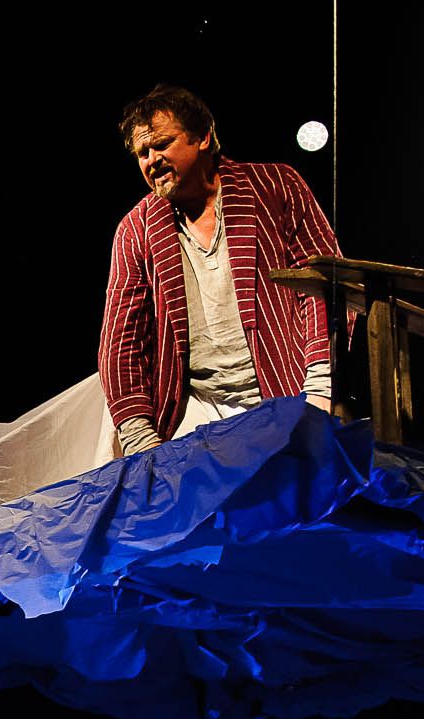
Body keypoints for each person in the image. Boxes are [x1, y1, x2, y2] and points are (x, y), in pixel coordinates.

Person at [99, 83, 341, 456]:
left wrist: (320, 389)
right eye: (142, 153)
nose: (152, 160)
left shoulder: (276, 186)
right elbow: (122, 341)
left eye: (162, 144)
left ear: (203, 137)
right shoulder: (136, 229)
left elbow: (324, 287)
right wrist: (141, 440)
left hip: (285, 389)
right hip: (195, 407)